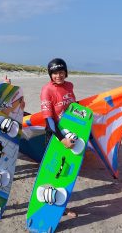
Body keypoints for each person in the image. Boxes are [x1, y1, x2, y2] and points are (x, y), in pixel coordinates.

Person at [40, 58, 78, 218]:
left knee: (66, 170)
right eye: (55, 73)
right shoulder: (46, 90)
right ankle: (52, 203)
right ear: (50, 74)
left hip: (69, 132)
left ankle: (62, 204)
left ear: (66, 72)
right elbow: (49, 120)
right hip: (56, 135)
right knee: (55, 171)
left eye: (61, 72)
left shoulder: (69, 86)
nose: (58, 76)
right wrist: (62, 139)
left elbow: (73, 108)